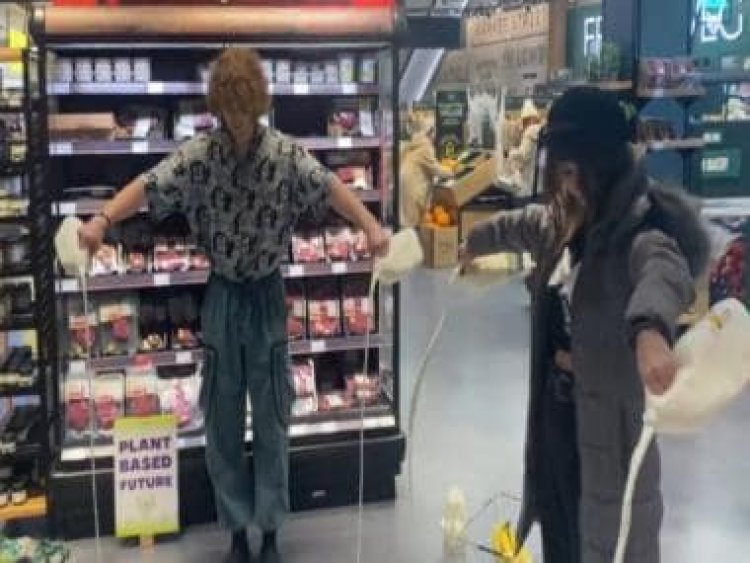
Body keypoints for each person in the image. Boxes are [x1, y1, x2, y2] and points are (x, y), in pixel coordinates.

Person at [78, 48, 389, 563]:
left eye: (247, 112)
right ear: (221, 108)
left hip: (267, 295)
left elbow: (331, 186)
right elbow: (149, 184)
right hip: (222, 295)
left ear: (259, 105)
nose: (240, 123)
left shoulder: (285, 155)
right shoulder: (200, 156)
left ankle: (269, 531)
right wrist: (102, 221)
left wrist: (372, 225)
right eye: (232, 112)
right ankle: (238, 532)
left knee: (272, 418)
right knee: (222, 422)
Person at [461, 87, 709, 562]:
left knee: (610, 537)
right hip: (556, 410)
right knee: (559, 522)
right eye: (562, 171)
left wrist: (650, 330)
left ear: (605, 165)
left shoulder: (639, 230)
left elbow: (664, 271)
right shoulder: (564, 222)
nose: (568, 183)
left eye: (578, 171)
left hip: (609, 423)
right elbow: (523, 224)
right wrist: (476, 240)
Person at [399, 115, 452, 228]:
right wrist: (454, 172)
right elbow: (436, 169)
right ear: (430, 132)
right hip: (414, 186)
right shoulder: (425, 147)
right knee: (413, 222)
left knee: (408, 218)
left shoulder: (415, 144)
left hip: (407, 184)